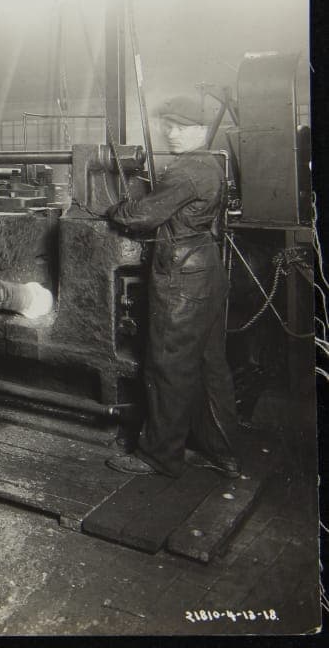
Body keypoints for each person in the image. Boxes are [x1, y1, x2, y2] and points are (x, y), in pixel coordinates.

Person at [105, 96, 240, 479]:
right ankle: (223, 453)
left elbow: (142, 217)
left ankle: (160, 456)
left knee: (168, 364)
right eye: (169, 125)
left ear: (202, 130)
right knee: (210, 364)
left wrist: (114, 209)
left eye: (182, 127)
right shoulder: (213, 163)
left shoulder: (184, 171)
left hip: (180, 275)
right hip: (207, 269)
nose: (171, 132)